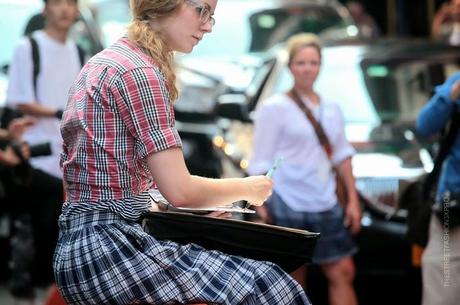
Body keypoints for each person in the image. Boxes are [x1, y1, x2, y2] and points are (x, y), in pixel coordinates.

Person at [53, 1, 311, 304]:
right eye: (202, 10)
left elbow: (115, 186)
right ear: (165, 4)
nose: (208, 26)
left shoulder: (105, 61)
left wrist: (186, 212)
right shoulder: (140, 72)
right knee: (272, 286)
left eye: (211, 15)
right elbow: (181, 190)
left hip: (82, 248)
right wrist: (249, 187)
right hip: (108, 249)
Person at [247, 33, 361, 305]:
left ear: (321, 66)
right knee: (294, 279)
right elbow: (261, 160)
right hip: (288, 199)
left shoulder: (332, 109)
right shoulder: (273, 108)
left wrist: (353, 201)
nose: (307, 68)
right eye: (301, 62)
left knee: (343, 270)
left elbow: (342, 157)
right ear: (290, 67)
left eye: (313, 62)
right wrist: (261, 203)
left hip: (325, 199)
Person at [5, 0, 82, 301]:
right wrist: (59, 111)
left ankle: (55, 288)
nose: (65, 9)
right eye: (58, 2)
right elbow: (19, 99)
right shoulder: (28, 47)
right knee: (36, 230)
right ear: (45, 8)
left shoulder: (78, 51)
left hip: (69, 156)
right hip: (35, 153)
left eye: (71, 3)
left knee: (62, 233)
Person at [416, 73, 460, 305]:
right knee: (442, 282)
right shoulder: (457, 81)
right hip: (452, 205)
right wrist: (453, 94)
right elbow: (425, 124)